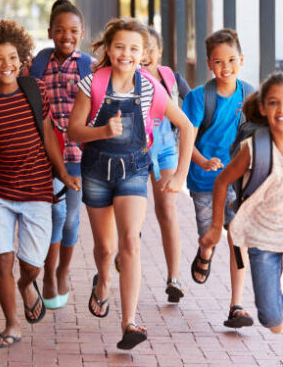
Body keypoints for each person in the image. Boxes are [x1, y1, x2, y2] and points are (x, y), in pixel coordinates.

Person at [68, 18, 193, 350]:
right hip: (96, 170)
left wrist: (180, 175)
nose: (126, 54)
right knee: (106, 249)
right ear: (108, 49)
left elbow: (187, 126)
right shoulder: (91, 84)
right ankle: (103, 280)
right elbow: (74, 132)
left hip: (135, 169)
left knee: (130, 245)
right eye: (120, 47)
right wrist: (103, 132)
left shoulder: (151, 87)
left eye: (134, 48)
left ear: (144, 53)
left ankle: (129, 322)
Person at [0, 19, 81, 349]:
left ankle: (28, 285)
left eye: (12, 57)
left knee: (31, 266)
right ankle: (12, 325)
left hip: (38, 190)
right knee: (1, 260)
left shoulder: (34, 90)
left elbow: (50, 135)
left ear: (21, 59)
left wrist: (62, 172)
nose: (6, 65)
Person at [199, 72, 283, 367]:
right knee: (269, 314)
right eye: (273, 103)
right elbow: (222, 182)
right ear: (262, 108)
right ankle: (274, 316)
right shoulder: (253, 149)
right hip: (262, 235)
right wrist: (214, 226)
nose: (281, 109)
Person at [183, 28, 254, 328]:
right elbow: (186, 139)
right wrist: (202, 161)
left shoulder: (250, 95)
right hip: (204, 181)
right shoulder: (200, 98)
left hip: (237, 181)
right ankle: (204, 252)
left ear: (241, 59)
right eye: (219, 62)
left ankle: (236, 305)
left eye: (232, 60)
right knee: (209, 235)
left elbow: (257, 136)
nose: (226, 68)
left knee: (238, 239)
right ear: (209, 64)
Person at [114, 27, 191, 303]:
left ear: (159, 52)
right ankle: (126, 247)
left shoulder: (172, 79)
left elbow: (191, 112)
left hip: (165, 149)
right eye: (140, 49)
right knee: (132, 213)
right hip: (132, 150)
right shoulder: (126, 78)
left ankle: (174, 277)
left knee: (166, 208)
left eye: (151, 50)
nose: (145, 56)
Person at [28, 0, 93, 309]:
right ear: (50, 31)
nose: (67, 35)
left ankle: (64, 270)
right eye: (60, 30)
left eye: (73, 30)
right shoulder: (38, 65)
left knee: (71, 219)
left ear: (81, 33)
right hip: (49, 156)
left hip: (80, 157)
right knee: (55, 215)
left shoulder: (89, 66)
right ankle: (49, 274)